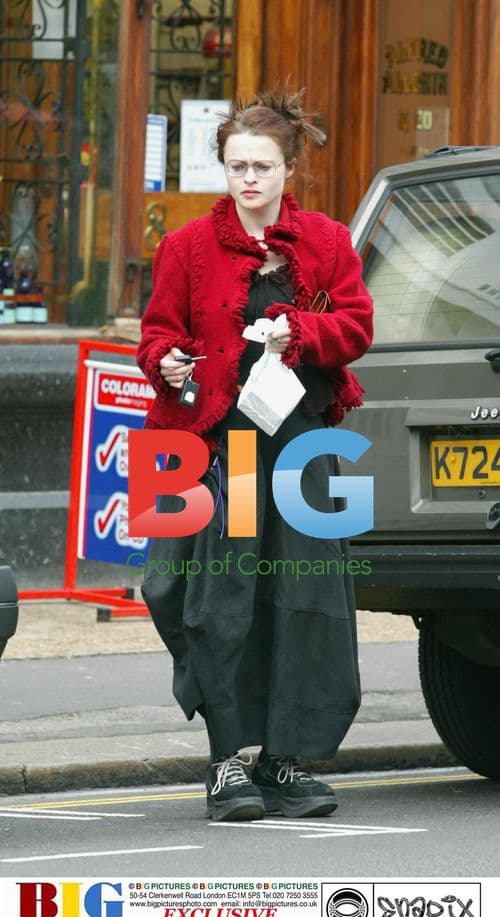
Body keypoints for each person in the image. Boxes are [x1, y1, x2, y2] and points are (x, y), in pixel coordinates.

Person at [136, 86, 373, 824]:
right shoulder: (186, 246)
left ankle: (281, 761)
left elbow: (357, 327)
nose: (248, 179)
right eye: (237, 166)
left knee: (304, 595)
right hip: (224, 445)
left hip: (302, 441)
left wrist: (299, 330)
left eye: (262, 166)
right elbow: (155, 334)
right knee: (215, 597)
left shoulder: (327, 241)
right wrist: (166, 360)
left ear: (288, 169)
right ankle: (224, 762)